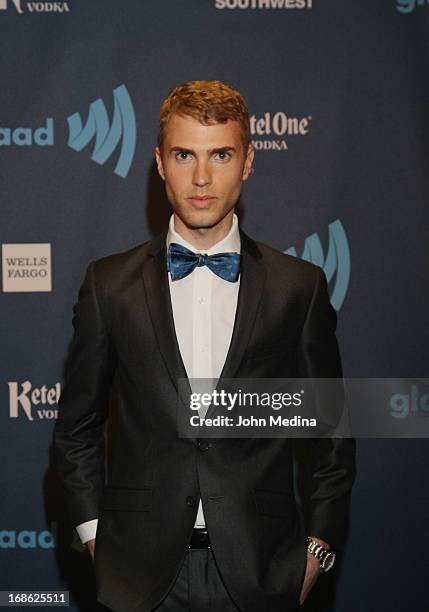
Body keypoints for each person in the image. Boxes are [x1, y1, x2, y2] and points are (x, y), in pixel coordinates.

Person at [53, 79, 356, 612]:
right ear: (159, 162)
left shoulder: (299, 287)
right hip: (137, 578)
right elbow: (75, 430)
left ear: (248, 161)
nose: (200, 177)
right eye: (183, 154)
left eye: (220, 154)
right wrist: (97, 537)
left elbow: (329, 433)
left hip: (263, 573)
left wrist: (319, 549)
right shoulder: (108, 285)